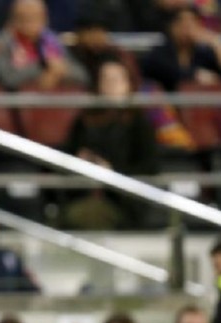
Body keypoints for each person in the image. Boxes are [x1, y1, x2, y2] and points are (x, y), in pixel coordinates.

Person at [64, 58, 158, 230]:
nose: (110, 85)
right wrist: (80, 161)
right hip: (84, 192)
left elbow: (148, 168)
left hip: (123, 200)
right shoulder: (85, 121)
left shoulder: (139, 123)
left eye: (116, 80)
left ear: (128, 85)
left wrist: (111, 171)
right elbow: (67, 156)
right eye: (105, 79)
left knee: (88, 214)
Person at [0, 0, 88, 90]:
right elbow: (7, 78)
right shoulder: (4, 42)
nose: (30, 23)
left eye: (36, 17)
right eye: (24, 17)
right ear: (13, 19)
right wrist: (44, 68)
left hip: (54, 102)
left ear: (45, 19)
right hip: (17, 102)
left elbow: (82, 76)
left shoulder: (53, 42)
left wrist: (61, 71)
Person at [140, 7, 221, 91]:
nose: (187, 29)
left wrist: (216, 43)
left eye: (192, 24)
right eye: (183, 24)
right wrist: (195, 75)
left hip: (198, 103)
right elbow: (169, 73)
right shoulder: (160, 53)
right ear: (172, 27)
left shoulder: (203, 53)